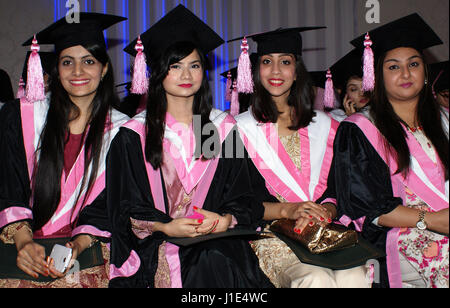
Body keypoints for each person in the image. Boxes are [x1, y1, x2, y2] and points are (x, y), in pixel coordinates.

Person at [109, 5, 273, 288]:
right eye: (175, 66)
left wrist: (225, 219)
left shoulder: (218, 128)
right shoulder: (135, 134)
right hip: (158, 244)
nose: (186, 75)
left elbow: (243, 192)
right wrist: (164, 226)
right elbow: (123, 206)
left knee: (213, 258)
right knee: (205, 261)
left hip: (217, 242)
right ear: (158, 72)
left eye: (194, 65)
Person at [230, 27, 370, 288]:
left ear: (296, 71)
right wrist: (288, 210)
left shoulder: (327, 127)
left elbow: (340, 188)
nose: (275, 71)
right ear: (255, 71)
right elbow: (233, 199)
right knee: (314, 279)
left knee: (356, 276)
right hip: (270, 235)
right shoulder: (233, 131)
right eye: (266, 62)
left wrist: (326, 210)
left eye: (285, 62)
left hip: (323, 229)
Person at [0, 13, 129, 288]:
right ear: (56, 69)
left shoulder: (123, 132)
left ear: (104, 69)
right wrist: (24, 242)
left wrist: (77, 245)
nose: (78, 72)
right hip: (20, 243)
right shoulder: (21, 117)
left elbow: (113, 203)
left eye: (89, 61)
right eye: (68, 62)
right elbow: (7, 184)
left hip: (86, 248)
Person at [321, 13, 449, 288]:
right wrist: (433, 220)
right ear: (377, 76)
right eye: (393, 67)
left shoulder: (445, 121)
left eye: (414, 64)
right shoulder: (360, 129)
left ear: (426, 73)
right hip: (398, 232)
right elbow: (365, 206)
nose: (405, 74)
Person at [327, 49, 371, 122]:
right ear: (345, 93)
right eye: (353, 89)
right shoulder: (335, 119)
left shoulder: (385, 113)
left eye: (365, 86)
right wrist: (352, 119)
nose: (362, 93)